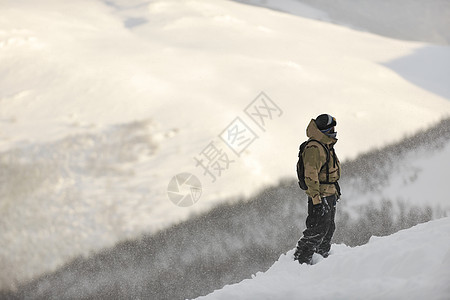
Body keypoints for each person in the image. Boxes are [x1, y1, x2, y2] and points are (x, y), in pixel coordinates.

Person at [294, 114, 341, 265]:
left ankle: (321, 260)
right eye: (331, 128)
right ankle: (300, 262)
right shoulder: (315, 147)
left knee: (328, 228)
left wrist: (335, 190)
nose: (334, 131)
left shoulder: (326, 145)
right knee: (317, 230)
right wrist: (316, 199)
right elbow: (310, 174)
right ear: (325, 130)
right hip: (320, 195)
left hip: (329, 192)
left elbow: (329, 171)